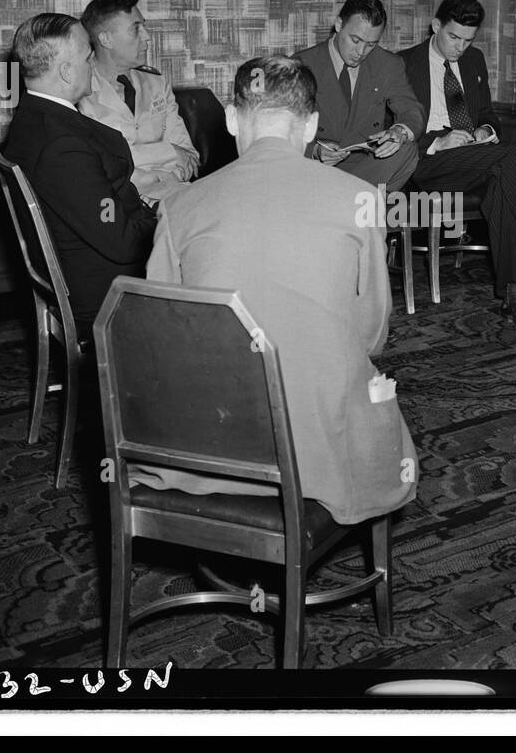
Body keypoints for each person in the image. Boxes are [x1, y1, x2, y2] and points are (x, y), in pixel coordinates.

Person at [142, 55, 418, 525]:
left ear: (232, 119)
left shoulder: (179, 207)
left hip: (209, 447)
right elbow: (371, 335)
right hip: (320, 452)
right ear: (311, 126)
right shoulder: (361, 201)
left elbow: (160, 342)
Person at [401, 0, 516, 332]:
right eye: (453, 37)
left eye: (468, 40)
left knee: (502, 186)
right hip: (428, 161)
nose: (459, 47)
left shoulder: (474, 61)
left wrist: (485, 129)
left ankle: (514, 295)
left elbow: (487, 115)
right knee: (509, 157)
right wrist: (438, 141)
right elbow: (395, 129)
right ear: (436, 26)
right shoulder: (404, 64)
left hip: (475, 157)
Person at [2, 13, 158, 328]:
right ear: (67, 71)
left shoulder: (32, 119)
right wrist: (166, 217)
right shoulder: (62, 146)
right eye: (89, 57)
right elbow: (123, 241)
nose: (94, 65)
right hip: (108, 293)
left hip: (90, 270)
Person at [293, 0, 425, 192]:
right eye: (355, 40)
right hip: (318, 170)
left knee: (408, 147)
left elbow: (412, 110)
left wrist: (399, 132)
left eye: (371, 44)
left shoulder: (388, 64)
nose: (361, 52)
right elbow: (285, 127)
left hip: (368, 168)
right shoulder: (303, 64)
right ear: (339, 25)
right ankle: (357, 205)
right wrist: (315, 150)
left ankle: (347, 202)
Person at [76, 0, 199, 205]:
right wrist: (168, 151)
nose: (147, 36)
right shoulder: (80, 93)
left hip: (174, 199)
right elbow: (101, 165)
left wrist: (155, 177)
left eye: (144, 26)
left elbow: (188, 155)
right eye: (135, 29)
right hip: (115, 208)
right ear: (106, 39)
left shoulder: (156, 83)